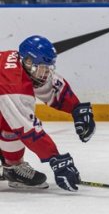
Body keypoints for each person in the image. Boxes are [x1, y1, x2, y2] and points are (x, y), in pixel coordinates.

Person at [0, 35, 95, 191]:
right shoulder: (12, 85)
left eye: (47, 68)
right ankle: (13, 167)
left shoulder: (21, 64)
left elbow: (50, 86)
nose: (45, 73)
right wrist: (55, 159)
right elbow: (27, 129)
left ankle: (9, 163)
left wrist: (77, 108)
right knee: (14, 120)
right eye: (42, 68)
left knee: (7, 116)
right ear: (29, 61)